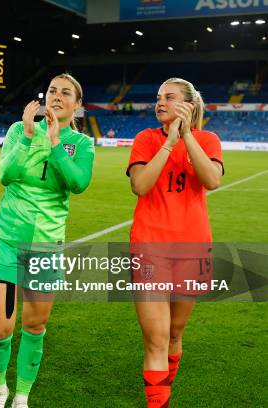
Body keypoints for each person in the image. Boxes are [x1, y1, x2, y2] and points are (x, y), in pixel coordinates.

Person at [0, 73, 95, 408]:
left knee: (35, 324)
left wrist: (57, 143)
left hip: (45, 245)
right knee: (0, 327)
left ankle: (22, 395)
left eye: (65, 93)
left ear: (77, 105)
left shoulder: (82, 144)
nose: (56, 97)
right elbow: (5, 174)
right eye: (51, 91)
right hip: (5, 239)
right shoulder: (20, 130)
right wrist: (30, 136)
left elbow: (78, 183)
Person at [126, 78, 223, 408]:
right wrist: (168, 144)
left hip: (192, 249)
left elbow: (211, 181)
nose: (160, 102)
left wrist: (185, 136)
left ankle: (164, 388)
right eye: (157, 97)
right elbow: (140, 185)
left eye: (169, 97)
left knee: (175, 333)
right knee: (155, 338)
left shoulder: (207, 139)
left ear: (188, 105)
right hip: (149, 246)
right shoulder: (145, 139)